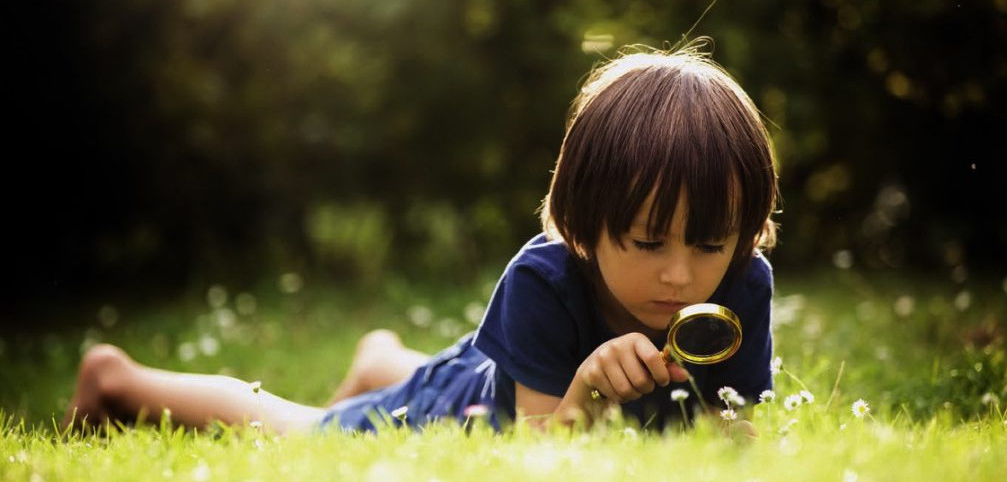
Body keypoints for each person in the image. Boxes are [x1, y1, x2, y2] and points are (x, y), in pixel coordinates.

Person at [63, 41, 780, 435]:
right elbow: (534, 457)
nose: (681, 276)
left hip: (493, 365)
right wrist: (586, 392)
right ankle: (119, 379)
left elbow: (733, 425)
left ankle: (383, 357)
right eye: (649, 243)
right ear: (587, 226)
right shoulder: (547, 278)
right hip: (470, 409)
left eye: (710, 244)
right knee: (309, 434)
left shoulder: (744, 284)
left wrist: (728, 437)